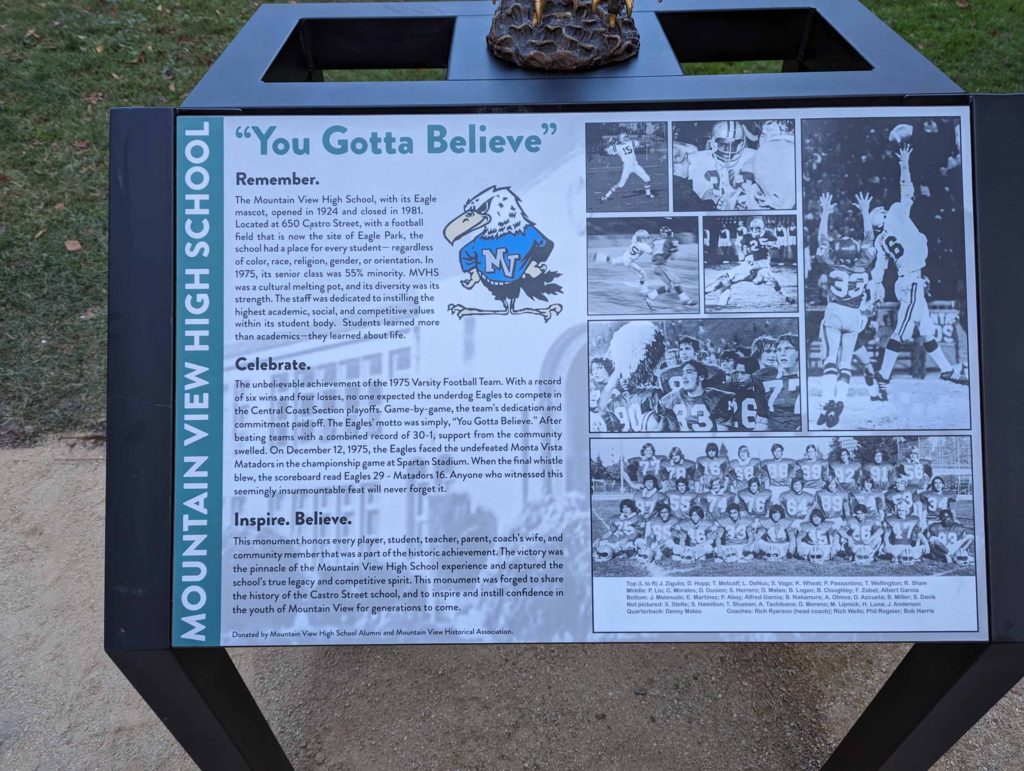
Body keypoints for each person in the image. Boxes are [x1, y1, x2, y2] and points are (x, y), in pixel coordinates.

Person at [867, 146, 968, 398]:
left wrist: (876, 290)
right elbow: (907, 191)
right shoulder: (894, 212)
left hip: (908, 282)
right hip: (911, 282)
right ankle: (884, 374)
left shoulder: (879, 242)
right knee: (901, 331)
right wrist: (903, 164)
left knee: (927, 332)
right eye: (877, 211)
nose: (880, 208)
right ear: (879, 219)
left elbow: (879, 271)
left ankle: (947, 370)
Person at [814, 191, 878, 427]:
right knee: (846, 362)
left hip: (835, 310)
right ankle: (840, 399)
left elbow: (822, 239)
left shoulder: (831, 261)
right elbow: (869, 238)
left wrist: (825, 213)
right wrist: (864, 212)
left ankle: (827, 400)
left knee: (831, 358)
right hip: (854, 315)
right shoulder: (863, 263)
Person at [601, 131, 654, 202]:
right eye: (625, 137)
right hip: (627, 167)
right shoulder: (617, 147)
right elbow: (605, 150)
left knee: (647, 178)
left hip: (635, 165)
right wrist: (609, 144)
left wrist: (645, 144)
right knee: (621, 184)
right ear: (621, 138)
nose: (627, 138)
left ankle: (648, 194)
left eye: (626, 137)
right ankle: (606, 196)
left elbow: (640, 144)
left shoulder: (630, 143)